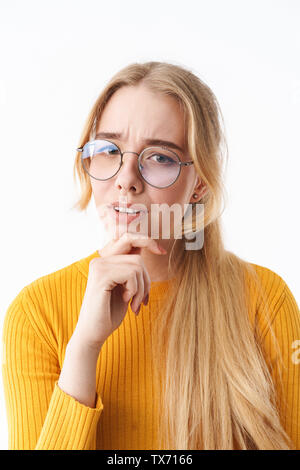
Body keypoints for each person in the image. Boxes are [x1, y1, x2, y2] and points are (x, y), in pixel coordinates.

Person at [2, 61, 299, 450]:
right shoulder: (36, 312)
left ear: (200, 185)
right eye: (109, 150)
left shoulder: (265, 301)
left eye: (159, 157)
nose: (126, 178)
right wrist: (84, 348)